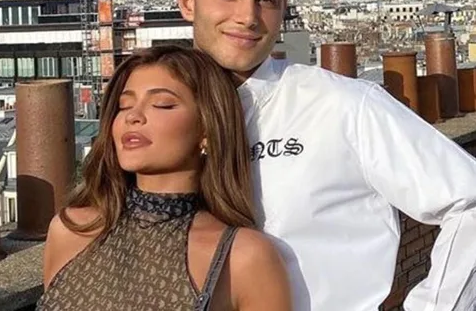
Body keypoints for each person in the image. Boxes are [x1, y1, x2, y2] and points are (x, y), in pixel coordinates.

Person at [177, 0, 476, 311]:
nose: (248, 16)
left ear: (283, 7)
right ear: (188, 1)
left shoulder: (342, 105)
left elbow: (468, 200)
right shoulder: (155, 116)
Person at [36, 46, 292, 311]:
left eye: (162, 104)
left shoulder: (243, 257)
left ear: (207, 129)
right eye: (124, 106)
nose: (133, 117)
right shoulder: (70, 229)